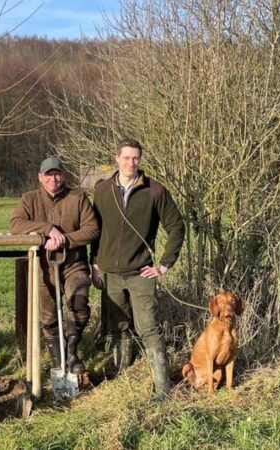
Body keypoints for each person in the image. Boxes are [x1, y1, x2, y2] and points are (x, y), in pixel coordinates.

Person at [91, 138, 185, 402]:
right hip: (109, 273)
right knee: (118, 326)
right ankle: (123, 373)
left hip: (141, 273)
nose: (131, 163)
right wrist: (95, 262)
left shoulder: (154, 191)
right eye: (126, 157)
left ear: (140, 160)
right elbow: (95, 230)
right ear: (116, 158)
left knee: (149, 328)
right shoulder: (102, 191)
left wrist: (164, 265)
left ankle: (162, 389)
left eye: (135, 158)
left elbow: (177, 227)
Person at [10, 156, 99, 374]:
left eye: (57, 174)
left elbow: (92, 229)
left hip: (73, 265)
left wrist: (64, 240)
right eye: (48, 174)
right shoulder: (29, 199)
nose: (53, 178)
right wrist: (47, 230)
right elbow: (15, 224)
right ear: (40, 177)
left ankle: (71, 353)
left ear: (64, 175)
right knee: (48, 316)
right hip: (43, 267)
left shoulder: (77, 198)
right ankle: (58, 361)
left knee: (79, 303)